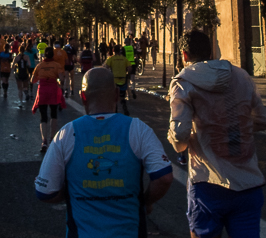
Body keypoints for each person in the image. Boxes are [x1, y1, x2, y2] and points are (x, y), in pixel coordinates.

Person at [34, 67, 174, 238]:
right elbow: (164, 177)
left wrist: (72, 193)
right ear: (116, 94)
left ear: (83, 97)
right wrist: (145, 201)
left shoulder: (67, 133)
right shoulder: (138, 129)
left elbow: (44, 191)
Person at [168, 29, 266, 238]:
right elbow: (263, 119)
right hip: (248, 182)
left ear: (184, 55)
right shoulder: (241, 75)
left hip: (208, 182)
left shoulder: (183, 82)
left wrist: (181, 144)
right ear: (212, 50)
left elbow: (180, 134)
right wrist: (234, 128)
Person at [30, 46, 66, 152]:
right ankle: (52, 138)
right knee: (54, 114)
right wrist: (59, 82)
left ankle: (44, 141)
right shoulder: (57, 65)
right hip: (53, 89)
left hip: (43, 90)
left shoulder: (40, 65)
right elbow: (62, 79)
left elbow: (32, 80)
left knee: (43, 115)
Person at [104, 44, 130, 114]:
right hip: (123, 79)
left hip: (114, 80)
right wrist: (126, 72)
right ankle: (123, 104)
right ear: (120, 51)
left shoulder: (111, 59)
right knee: (122, 95)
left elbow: (106, 67)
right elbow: (129, 68)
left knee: (114, 96)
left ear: (113, 51)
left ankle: (115, 110)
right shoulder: (124, 59)